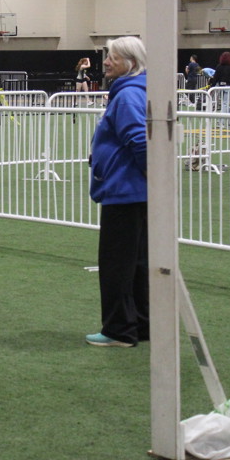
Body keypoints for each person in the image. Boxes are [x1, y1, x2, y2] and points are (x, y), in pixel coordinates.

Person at [86, 36, 148, 348]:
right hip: (134, 191)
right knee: (137, 263)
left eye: (113, 57)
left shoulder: (127, 96)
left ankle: (119, 330)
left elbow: (139, 140)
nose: (107, 62)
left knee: (116, 265)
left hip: (124, 191)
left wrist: (152, 177)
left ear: (130, 63)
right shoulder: (135, 91)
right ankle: (141, 325)